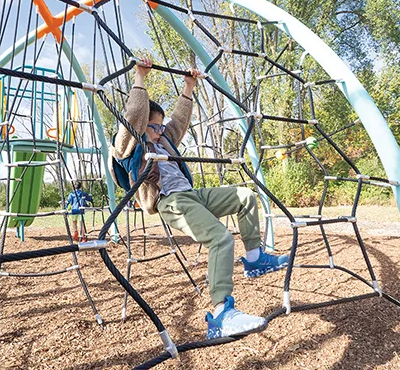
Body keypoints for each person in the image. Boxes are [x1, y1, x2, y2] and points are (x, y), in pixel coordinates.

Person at [110, 57, 289, 339]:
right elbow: (134, 116)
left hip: (192, 195)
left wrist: (189, 87)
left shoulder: (163, 140)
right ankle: (221, 314)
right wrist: (140, 78)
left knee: (245, 196)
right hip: (171, 201)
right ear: (143, 127)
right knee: (221, 238)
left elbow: (179, 122)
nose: (160, 132)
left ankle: (254, 259)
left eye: (160, 127)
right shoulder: (129, 145)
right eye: (154, 127)